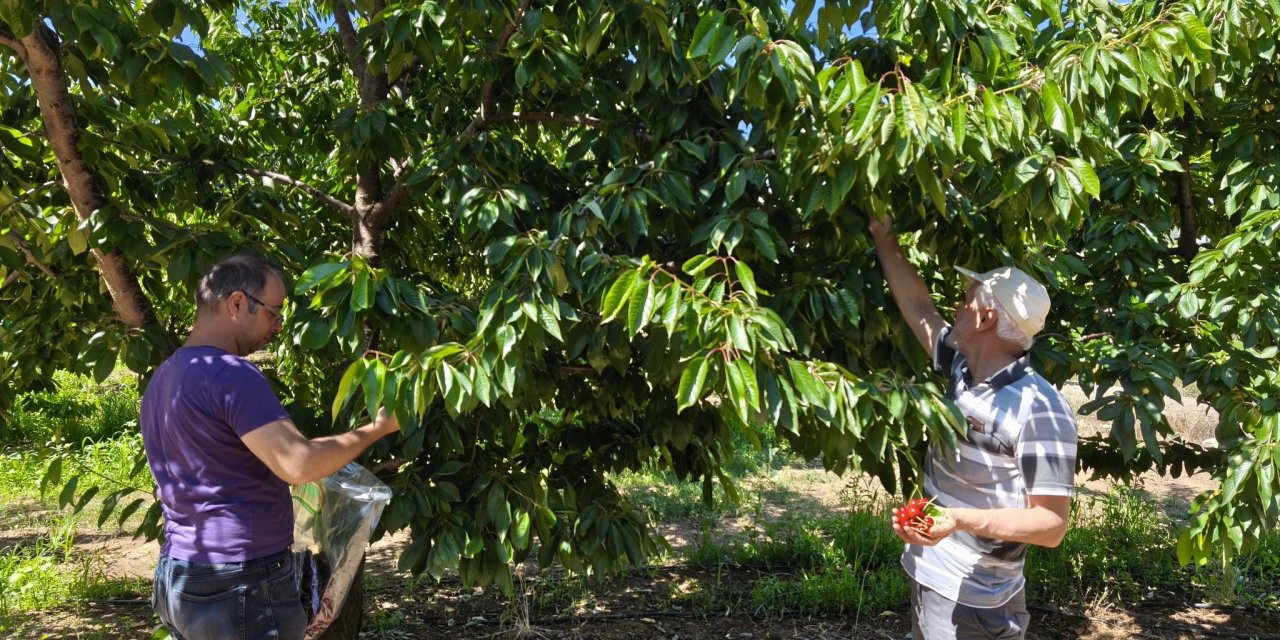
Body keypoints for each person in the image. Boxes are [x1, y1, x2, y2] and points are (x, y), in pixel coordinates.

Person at [141, 254, 400, 640]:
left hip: (181, 572)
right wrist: (379, 428)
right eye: (273, 313)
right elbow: (298, 463)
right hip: (239, 581)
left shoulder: (164, 379)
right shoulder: (231, 375)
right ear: (237, 303)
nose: (277, 327)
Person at [868, 216, 1077, 640]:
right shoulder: (963, 368)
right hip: (931, 572)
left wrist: (956, 520)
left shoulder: (1041, 410)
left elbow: (1051, 526)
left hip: (976, 598)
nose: (957, 308)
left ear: (983, 319)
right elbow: (919, 309)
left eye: (965, 301)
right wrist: (883, 236)